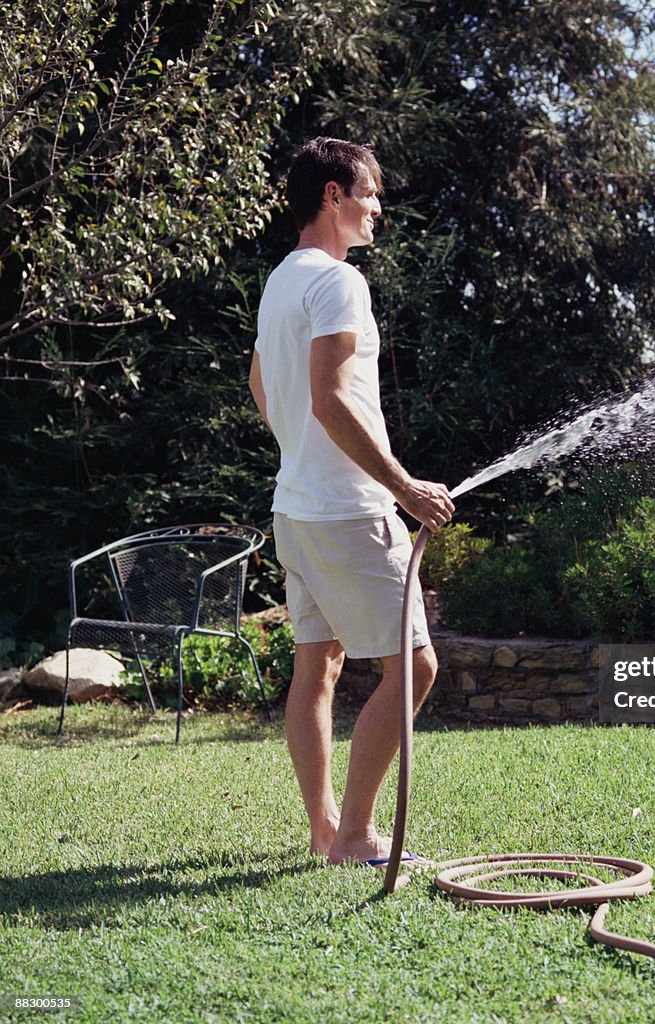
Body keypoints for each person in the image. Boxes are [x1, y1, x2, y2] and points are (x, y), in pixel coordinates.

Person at [248, 137, 454, 866]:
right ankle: (357, 837)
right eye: (369, 195)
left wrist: (299, 452)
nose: (376, 210)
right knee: (415, 667)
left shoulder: (282, 280)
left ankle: (322, 830)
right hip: (345, 510)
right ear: (332, 195)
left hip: (296, 508)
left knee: (318, 665)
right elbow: (331, 399)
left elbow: (260, 385)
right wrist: (401, 486)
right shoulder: (337, 282)